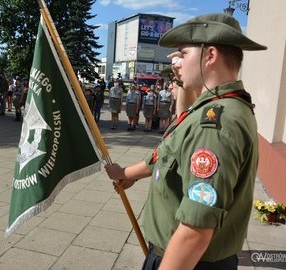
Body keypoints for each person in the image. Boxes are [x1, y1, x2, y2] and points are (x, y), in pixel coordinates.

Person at [105, 13, 266, 270]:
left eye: (183, 53)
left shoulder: (214, 123)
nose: (176, 63)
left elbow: (195, 232)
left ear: (210, 55)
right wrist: (128, 173)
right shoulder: (219, 108)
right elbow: (172, 151)